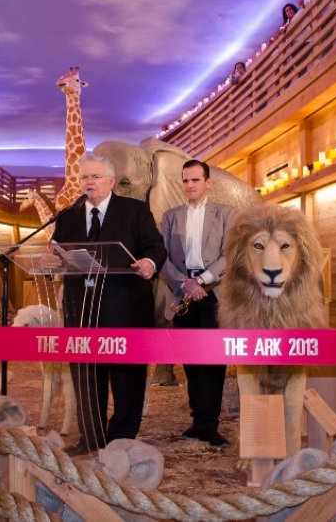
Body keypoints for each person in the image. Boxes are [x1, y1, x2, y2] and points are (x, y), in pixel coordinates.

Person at [41, 154, 166, 456]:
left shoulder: (135, 211)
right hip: (82, 311)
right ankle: (92, 437)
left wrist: (149, 263)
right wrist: (49, 261)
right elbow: (56, 253)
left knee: (127, 380)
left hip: (126, 311)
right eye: (85, 178)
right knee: (86, 377)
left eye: (95, 177)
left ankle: (121, 441)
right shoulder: (68, 216)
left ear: (110, 181)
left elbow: (154, 246)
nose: (89, 182)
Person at [160, 160, 235, 449]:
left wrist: (201, 282)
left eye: (195, 180)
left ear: (208, 182)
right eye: (185, 181)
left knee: (213, 363)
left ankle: (211, 426)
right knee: (190, 363)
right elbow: (161, 257)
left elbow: (229, 255)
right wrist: (183, 284)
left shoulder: (226, 214)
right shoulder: (170, 217)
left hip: (211, 295)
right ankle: (197, 421)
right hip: (182, 295)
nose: (189, 185)